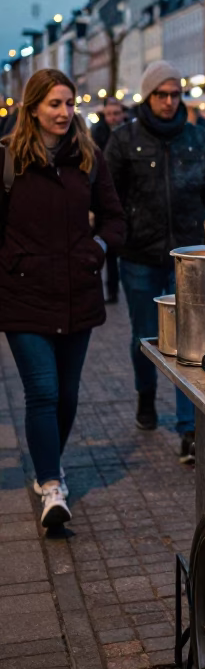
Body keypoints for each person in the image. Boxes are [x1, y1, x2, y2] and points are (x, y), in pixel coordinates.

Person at [0, 69, 125, 527]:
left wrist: (98, 249)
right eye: (54, 104)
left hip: (77, 291)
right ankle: (52, 485)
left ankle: (48, 462)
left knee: (68, 395)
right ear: (32, 107)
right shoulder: (9, 160)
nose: (64, 112)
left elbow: (115, 218)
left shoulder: (88, 157)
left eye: (70, 103)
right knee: (43, 391)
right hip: (24, 295)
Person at [105, 60, 205, 464]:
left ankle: (188, 428)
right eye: (162, 94)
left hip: (190, 258)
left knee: (190, 344)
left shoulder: (198, 137)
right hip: (140, 255)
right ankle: (145, 398)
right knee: (144, 336)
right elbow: (109, 199)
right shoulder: (124, 140)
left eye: (175, 94)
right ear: (148, 96)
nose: (170, 101)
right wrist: (121, 235)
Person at [92, 97, 126, 302]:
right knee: (108, 249)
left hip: (125, 198)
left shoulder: (131, 132)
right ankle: (110, 290)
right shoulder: (98, 133)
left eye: (116, 113)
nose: (112, 117)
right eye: (109, 114)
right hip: (103, 200)